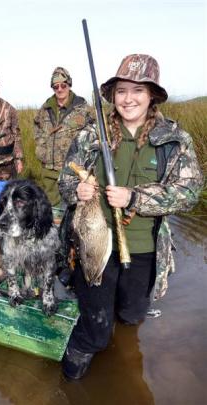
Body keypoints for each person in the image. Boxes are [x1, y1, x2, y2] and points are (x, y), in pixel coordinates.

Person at [58, 54, 204, 380]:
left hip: (144, 249)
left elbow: (189, 192)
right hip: (95, 244)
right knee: (95, 327)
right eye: (122, 90)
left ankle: (120, 363)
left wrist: (134, 197)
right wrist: (76, 191)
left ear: (152, 95)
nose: (128, 99)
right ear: (113, 95)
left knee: (132, 315)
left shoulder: (175, 139)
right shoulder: (91, 135)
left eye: (138, 90)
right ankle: (71, 374)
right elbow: (65, 182)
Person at [33, 67, 92, 205]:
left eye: (63, 85)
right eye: (55, 86)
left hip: (72, 170)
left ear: (69, 84)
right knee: (50, 211)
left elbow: (93, 135)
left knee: (70, 209)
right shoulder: (45, 108)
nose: (59, 89)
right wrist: (41, 149)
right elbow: (37, 126)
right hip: (49, 170)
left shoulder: (82, 108)